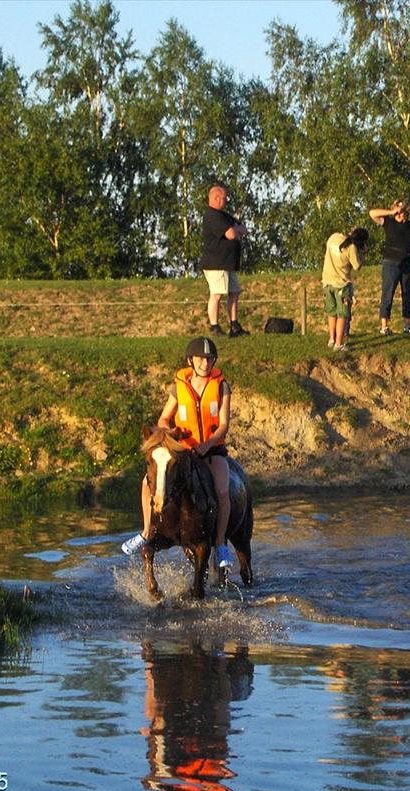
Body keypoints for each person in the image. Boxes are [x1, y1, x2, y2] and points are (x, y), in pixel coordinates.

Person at [122, 336, 237, 569]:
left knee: (223, 490)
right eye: (200, 359)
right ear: (191, 361)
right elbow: (165, 417)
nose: (205, 364)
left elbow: (223, 424)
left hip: (211, 450)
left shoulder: (222, 386)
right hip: (183, 450)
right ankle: (146, 532)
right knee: (147, 483)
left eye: (209, 359)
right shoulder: (179, 387)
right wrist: (166, 433)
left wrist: (208, 443)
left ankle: (220, 542)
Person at [369, 198, 410, 335]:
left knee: (407, 293)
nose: (400, 214)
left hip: (407, 262)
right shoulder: (388, 222)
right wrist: (391, 211)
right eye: (398, 211)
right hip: (390, 262)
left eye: (402, 211)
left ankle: (407, 325)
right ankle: (384, 325)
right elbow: (372, 213)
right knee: (388, 293)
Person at [200, 185, 249, 337]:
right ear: (215, 198)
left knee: (234, 292)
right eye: (224, 198)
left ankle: (234, 325)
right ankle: (214, 326)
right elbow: (231, 234)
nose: (226, 201)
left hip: (228, 263)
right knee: (216, 294)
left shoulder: (224, 215)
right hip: (216, 264)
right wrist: (235, 229)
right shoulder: (212, 216)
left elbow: (243, 229)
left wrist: (237, 229)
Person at [322, 227, 369, 352]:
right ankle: (339, 343)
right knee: (342, 314)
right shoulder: (351, 248)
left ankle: (332, 339)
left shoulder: (333, 237)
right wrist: (363, 253)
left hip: (327, 281)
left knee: (331, 312)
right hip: (341, 284)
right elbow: (357, 266)